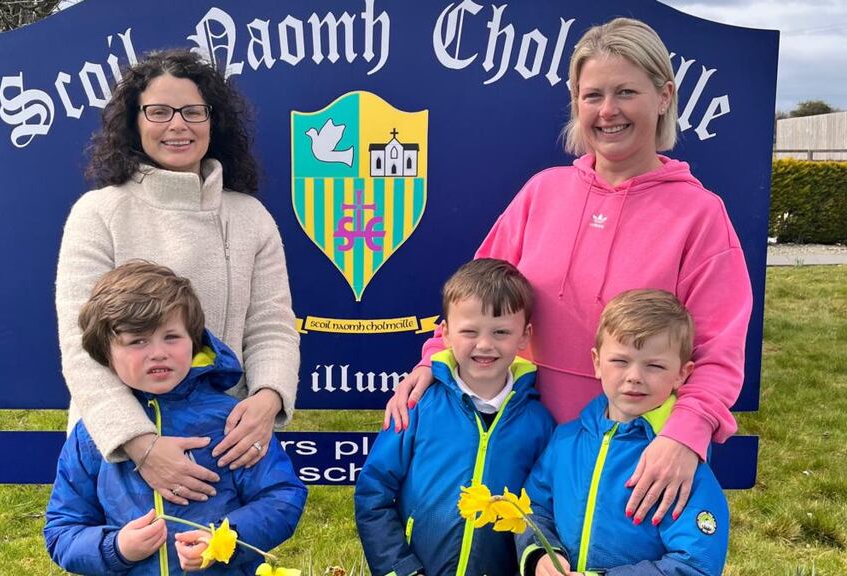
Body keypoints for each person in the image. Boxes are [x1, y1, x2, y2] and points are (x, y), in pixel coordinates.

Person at [385, 17, 751, 527]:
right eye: (592, 94)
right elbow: (479, 296)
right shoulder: (543, 192)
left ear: (664, 96)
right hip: (517, 437)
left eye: (626, 92)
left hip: (630, 457)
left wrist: (683, 435)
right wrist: (435, 361)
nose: (607, 111)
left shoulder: (701, 215)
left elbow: (718, 351)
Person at [56, 49, 300, 506]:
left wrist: (268, 400)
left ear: (214, 121)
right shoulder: (98, 214)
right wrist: (141, 445)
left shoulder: (250, 217)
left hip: (225, 444)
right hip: (119, 453)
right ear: (135, 121)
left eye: (193, 111)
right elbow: (80, 346)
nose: (177, 125)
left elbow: (271, 325)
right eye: (159, 111)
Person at [45, 261, 307, 576]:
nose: (158, 353)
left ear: (194, 341)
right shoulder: (93, 436)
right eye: (137, 341)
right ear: (106, 354)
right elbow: (63, 530)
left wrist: (225, 539)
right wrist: (117, 548)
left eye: (171, 337)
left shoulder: (230, 421)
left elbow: (281, 498)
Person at [355, 259, 555, 576]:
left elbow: (541, 510)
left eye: (501, 332)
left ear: (524, 336)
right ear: (446, 333)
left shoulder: (539, 424)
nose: (485, 344)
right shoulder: (416, 408)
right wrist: (400, 568)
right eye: (470, 331)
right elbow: (372, 493)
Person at [517, 289, 728, 576]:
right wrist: (542, 553)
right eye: (620, 361)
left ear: (682, 373)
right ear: (597, 362)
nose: (634, 376)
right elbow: (532, 506)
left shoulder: (680, 463)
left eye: (654, 365)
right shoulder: (566, 440)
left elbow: (696, 564)